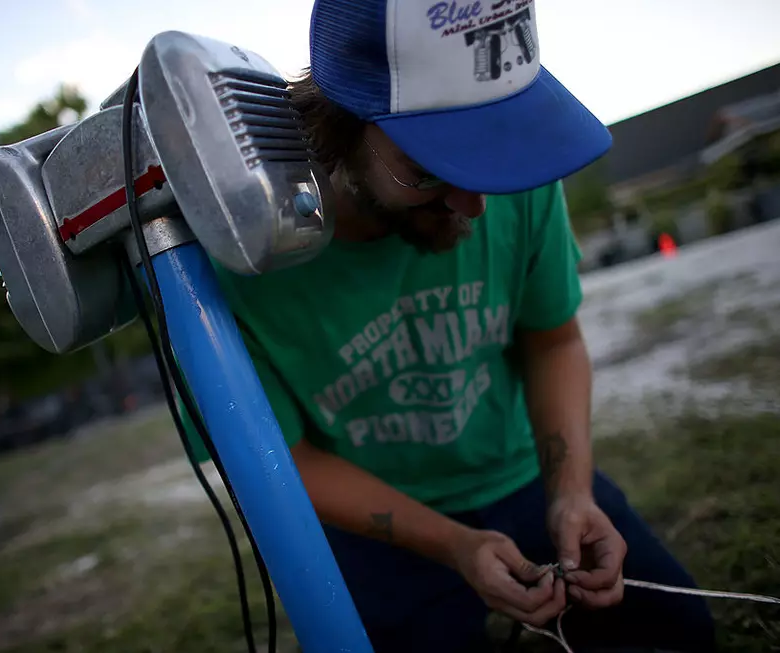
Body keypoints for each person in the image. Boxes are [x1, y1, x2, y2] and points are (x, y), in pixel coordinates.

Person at [183, 1, 717, 650]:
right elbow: (280, 460)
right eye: (435, 164)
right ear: (341, 128)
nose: (477, 201)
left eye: (494, 148)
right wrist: (452, 544)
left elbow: (553, 338)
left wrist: (570, 492)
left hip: (519, 473)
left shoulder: (512, 182)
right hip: (376, 518)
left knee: (683, 635)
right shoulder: (233, 263)